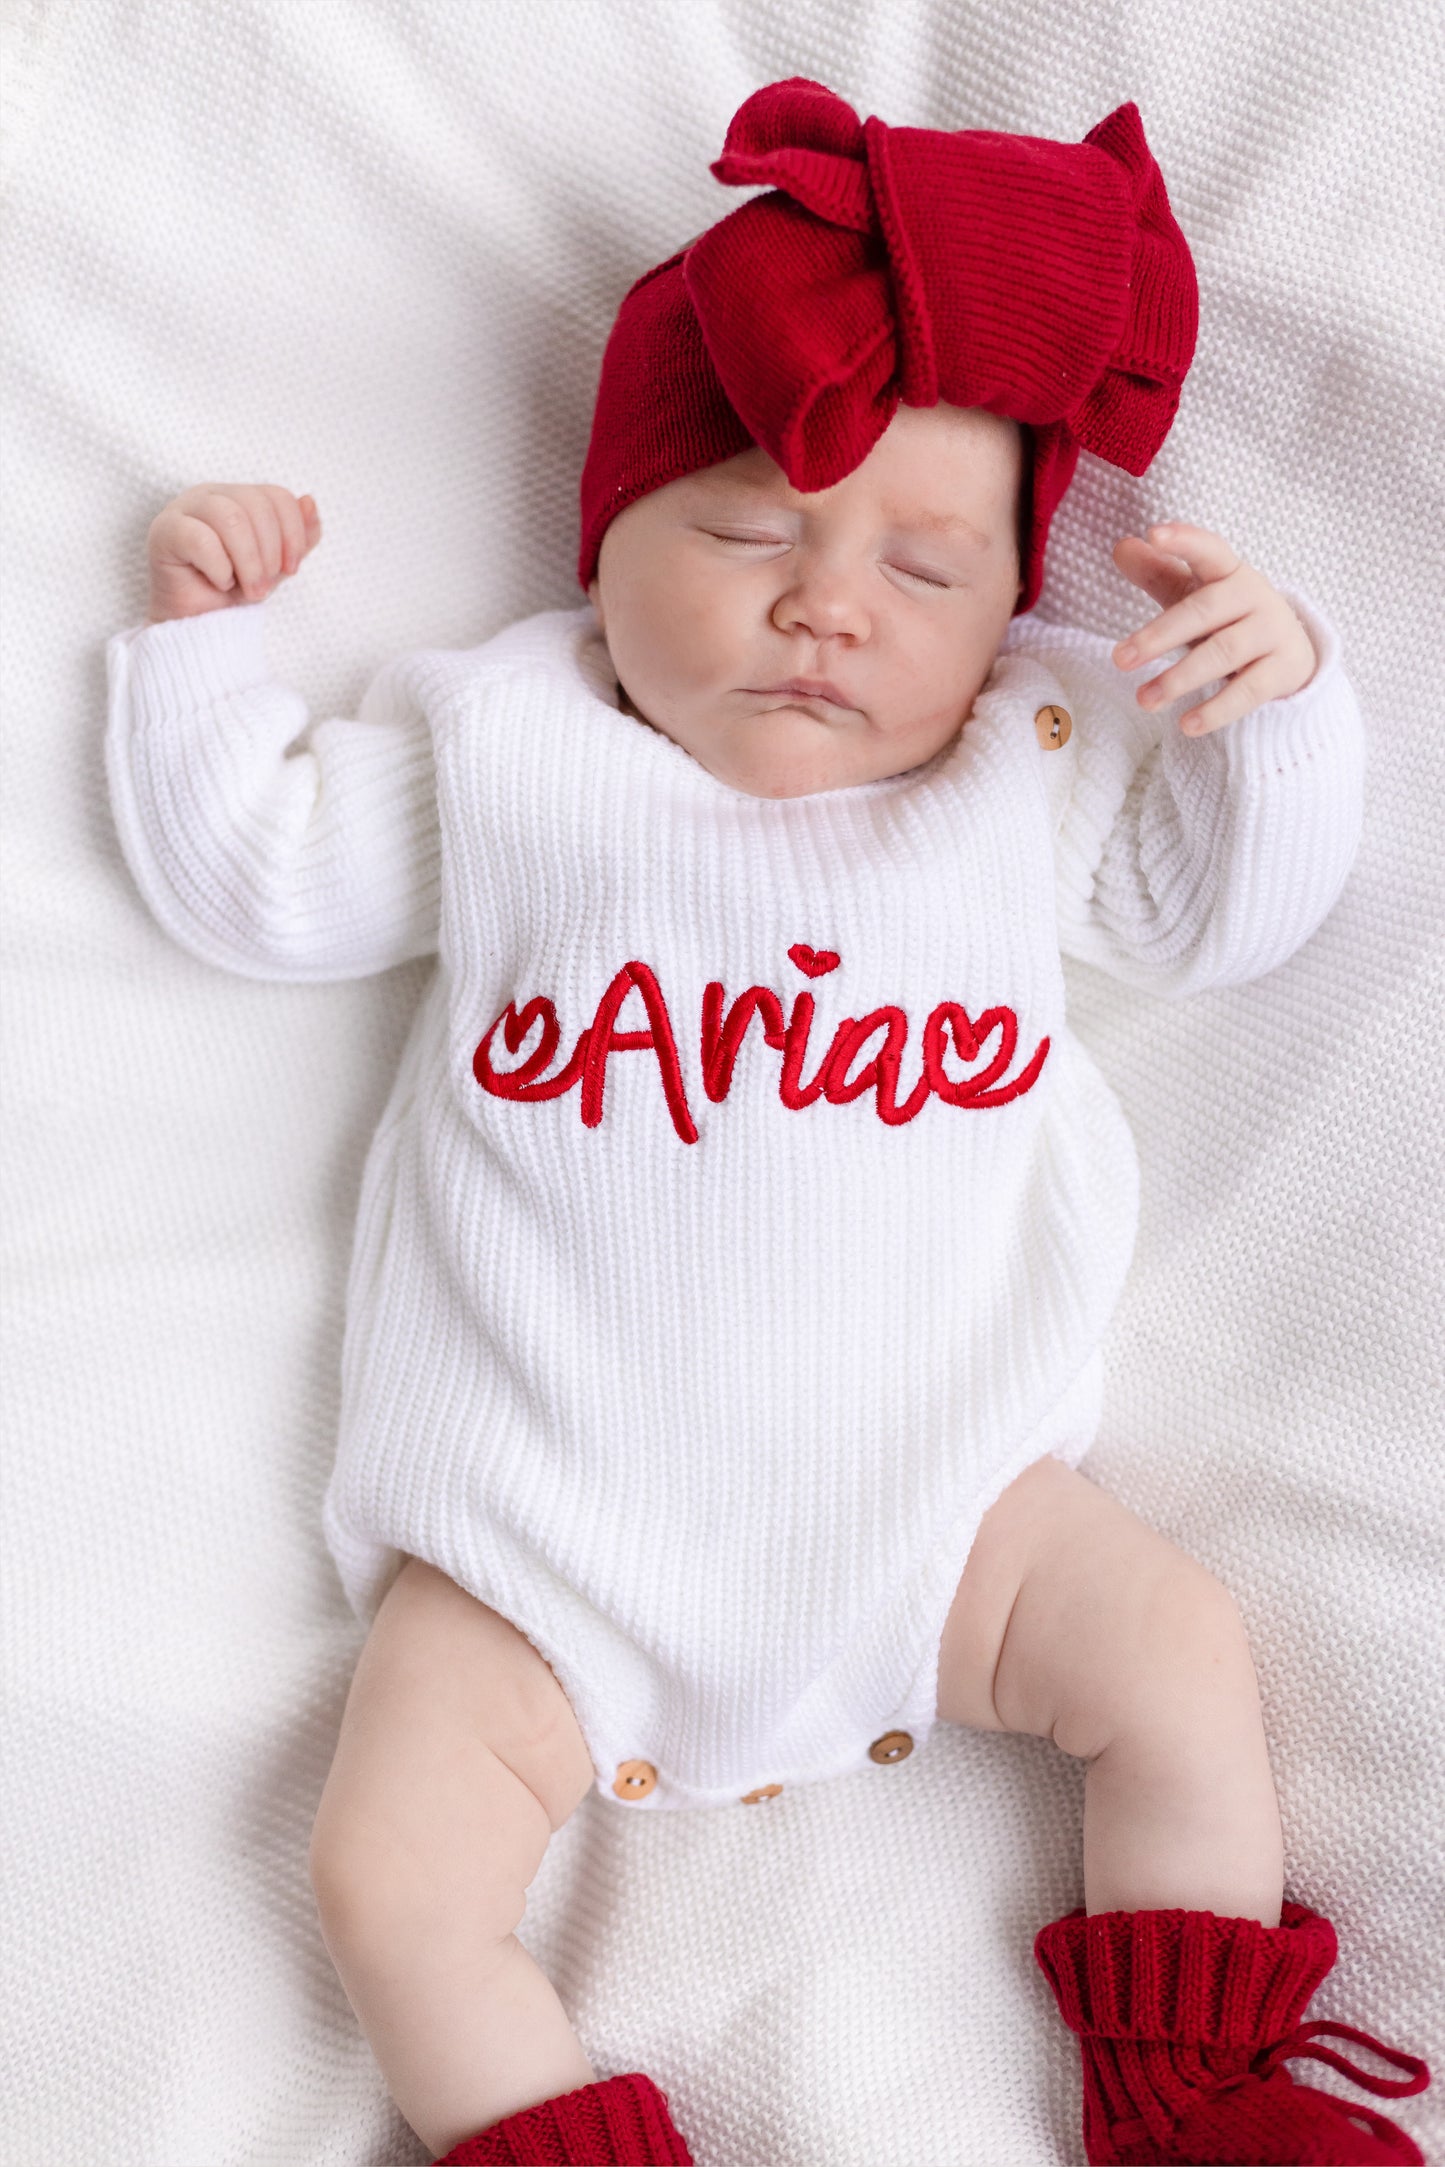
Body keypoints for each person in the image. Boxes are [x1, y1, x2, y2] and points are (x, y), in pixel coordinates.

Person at [105, 77, 1431, 2167]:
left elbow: (1222, 919)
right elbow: (261, 885)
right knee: (385, 1875)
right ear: (606, 540)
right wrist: (196, 660)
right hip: (538, 1551)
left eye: (930, 562)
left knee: (1173, 1650)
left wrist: (1280, 707)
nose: (830, 603)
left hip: (951, 1513)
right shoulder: (513, 745)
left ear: (1015, 606)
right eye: (744, 530)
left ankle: (1190, 2094)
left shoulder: (1029, 757)